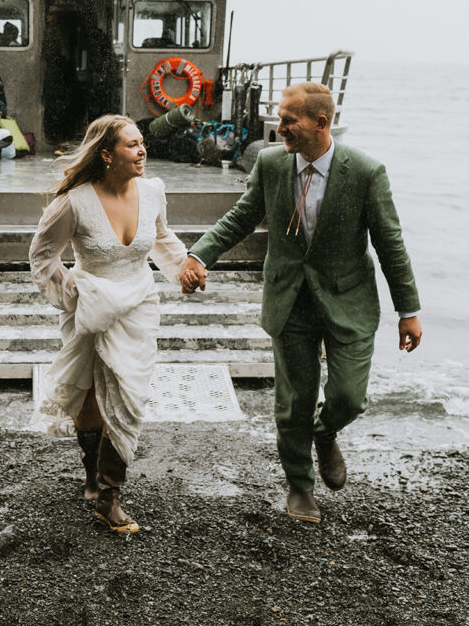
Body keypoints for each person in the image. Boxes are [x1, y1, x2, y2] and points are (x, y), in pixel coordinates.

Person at [179, 82, 422, 525]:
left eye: (289, 120)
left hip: (349, 299)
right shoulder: (273, 164)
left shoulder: (366, 172)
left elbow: (391, 244)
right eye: (280, 117)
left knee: (349, 396)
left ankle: (325, 432)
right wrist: (198, 255)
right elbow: (241, 216)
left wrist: (409, 311)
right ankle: (300, 486)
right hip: (289, 298)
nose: (280, 127)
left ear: (321, 123)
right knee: (294, 401)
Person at [29, 115, 189, 534]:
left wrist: (184, 267)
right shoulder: (74, 202)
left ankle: (109, 494)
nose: (142, 151)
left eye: (142, 143)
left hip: (139, 302)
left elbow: (161, 237)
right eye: (131, 145)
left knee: (129, 393)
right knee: (89, 393)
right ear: (106, 155)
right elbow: (42, 256)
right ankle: (93, 474)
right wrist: (75, 293)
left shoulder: (152, 191)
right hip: (91, 306)